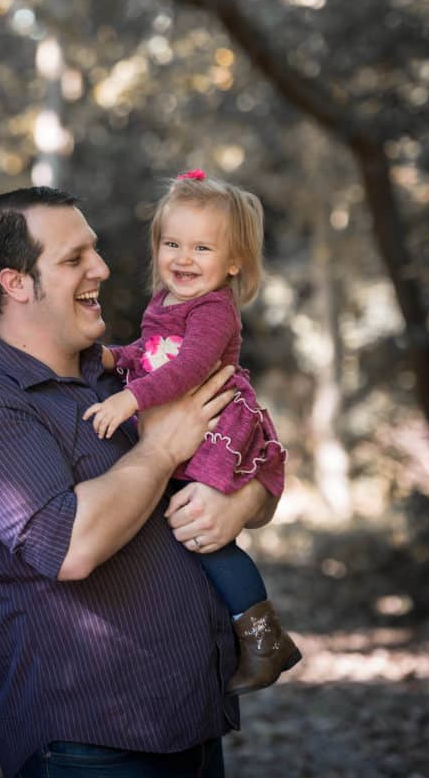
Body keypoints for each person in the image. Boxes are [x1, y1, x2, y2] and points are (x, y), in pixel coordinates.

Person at [0, 185, 281, 778]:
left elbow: (245, 460)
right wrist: (163, 447)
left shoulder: (126, 377)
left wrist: (240, 502)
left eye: (96, 250)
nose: (103, 269)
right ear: (16, 284)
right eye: (73, 258)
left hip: (189, 724)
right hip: (91, 745)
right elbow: (69, 547)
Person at [84, 170, 301, 696]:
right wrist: (116, 358)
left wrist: (131, 395)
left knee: (201, 531)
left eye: (202, 247)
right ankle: (245, 633)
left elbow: (190, 366)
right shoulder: (166, 303)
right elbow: (152, 351)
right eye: (172, 243)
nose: (183, 258)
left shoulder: (214, 309)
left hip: (217, 429)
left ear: (232, 264)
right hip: (186, 426)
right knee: (182, 525)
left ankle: (262, 634)